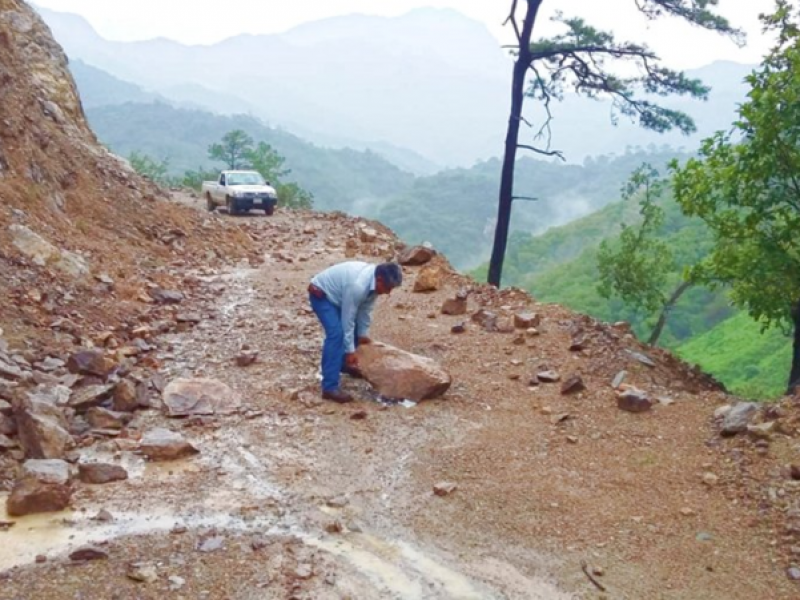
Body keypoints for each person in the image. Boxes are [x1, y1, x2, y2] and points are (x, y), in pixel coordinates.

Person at [308, 261, 403, 402]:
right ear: (379, 279)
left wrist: (362, 334)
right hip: (322, 295)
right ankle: (329, 388)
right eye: (388, 288)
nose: (388, 292)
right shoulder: (358, 286)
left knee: (356, 331)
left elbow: (365, 309)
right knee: (336, 334)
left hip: (341, 297)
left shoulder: (374, 284)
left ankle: (343, 365)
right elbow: (348, 318)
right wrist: (350, 351)